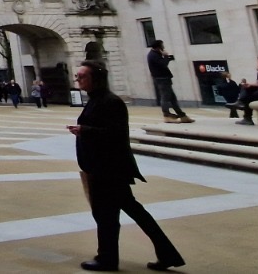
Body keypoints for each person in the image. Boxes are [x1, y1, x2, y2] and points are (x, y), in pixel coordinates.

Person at [68, 60, 185, 272]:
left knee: (107, 217)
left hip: (108, 170)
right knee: (128, 213)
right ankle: (166, 253)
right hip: (106, 169)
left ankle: (107, 258)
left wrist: (84, 130)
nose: (78, 79)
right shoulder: (98, 100)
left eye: (82, 76)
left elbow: (115, 134)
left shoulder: (110, 102)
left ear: (96, 78)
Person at [146, 40, 193, 124]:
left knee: (172, 98)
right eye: (162, 45)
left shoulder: (155, 54)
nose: (163, 47)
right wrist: (166, 56)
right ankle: (166, 116)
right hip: (162, 79)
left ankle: (182, 116)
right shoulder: (153, 55)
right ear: (158, 47)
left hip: (163, 78)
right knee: (165, 98)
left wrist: (167, 57)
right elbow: (163, 64)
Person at [233, 57, 258, 125]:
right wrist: (248, 85)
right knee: (245, 87)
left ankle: (247, 116)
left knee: (248, 98)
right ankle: (240, 101)